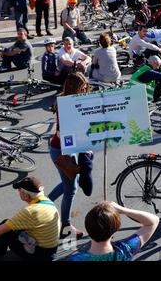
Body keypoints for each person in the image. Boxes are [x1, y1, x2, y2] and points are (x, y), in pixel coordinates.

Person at [49, 73, 94, 240]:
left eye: (85, 87)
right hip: (60, 150)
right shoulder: (64, 104)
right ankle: (65, 226)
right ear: (72, 88)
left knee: (69, 181)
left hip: (69, 148)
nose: (84, 90)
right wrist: (81, 146)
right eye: (80, 88)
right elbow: (61, 133)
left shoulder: (76, 101)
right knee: (71, 188)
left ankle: (43, 202)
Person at [0, 176, 60, 261]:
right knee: (10, 224)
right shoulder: (48, 202)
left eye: (19, 190)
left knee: (5, 231)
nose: (18, 192)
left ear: (26, 196)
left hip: (39, 255)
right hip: (51, 250)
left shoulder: (30, 212)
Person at [68, 201, 159, 261]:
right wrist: (122, 210)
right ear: (115, 228)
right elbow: (153, 221)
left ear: (87, 227)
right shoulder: (124, 250)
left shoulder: (75, 259)